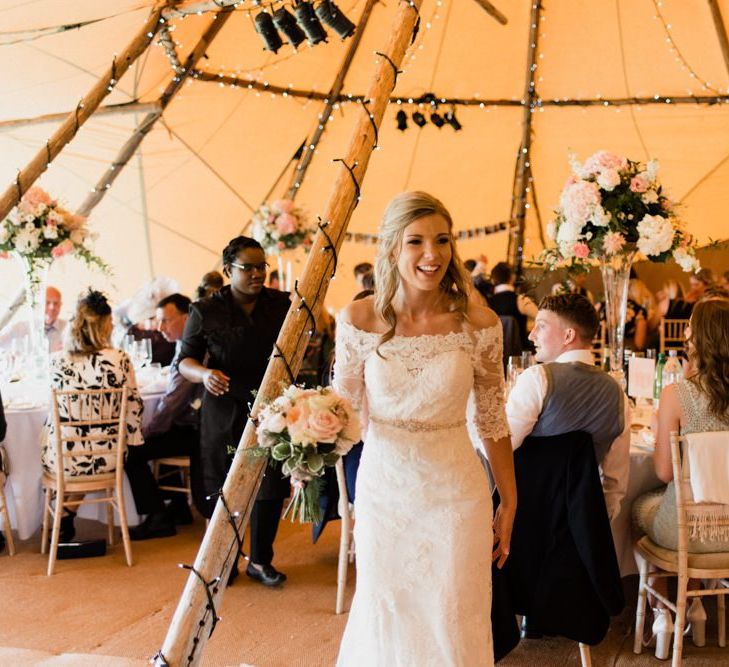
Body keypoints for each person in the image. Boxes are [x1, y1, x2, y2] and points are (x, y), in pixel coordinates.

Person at [333, 191, 516, 665]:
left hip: (455, 491)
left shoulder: (479, 323)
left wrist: (510, 498)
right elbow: (343, 414)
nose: (431, 255)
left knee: (452, 611)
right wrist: (305, 441)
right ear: (393, 247)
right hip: (385, 489)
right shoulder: (357, 319)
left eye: (442, 240)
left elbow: (492, 417)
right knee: (387, 610)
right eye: (416, 241)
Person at [179, 236, 291, 587]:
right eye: (249, 268)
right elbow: (184, 361)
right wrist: (205, 373)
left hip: (269, 402)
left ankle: (260, 560)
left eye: (262, 267)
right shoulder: (204, 310)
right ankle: (224, 560)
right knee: (223, 484)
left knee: (270, 483)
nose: (258, 274)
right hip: (223, 401)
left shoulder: (281, 304)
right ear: (228, 270)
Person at [632, 298, 729, 650]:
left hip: (684, 533)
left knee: (637, 507)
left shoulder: (677, 394)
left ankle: (663, 610)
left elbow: (662, 472)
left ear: (697, 338)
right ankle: (699, 602)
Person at [506, 293, 630, 521]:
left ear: (568, 335)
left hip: (525, 518)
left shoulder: (536, 378)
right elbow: (615, 482)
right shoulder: (618, 395)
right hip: (581, 528)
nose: (531, 334)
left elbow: (500, 448)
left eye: (540, 326)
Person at [41, 289, 144, 542]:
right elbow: (134, 408)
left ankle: (62, 516)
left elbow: (52, 417)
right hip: (108, 458)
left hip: (65, 459)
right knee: (94, 453)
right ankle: (65, 516)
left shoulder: (56, 362)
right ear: (105, 326)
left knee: (65, 449)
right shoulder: (120, 359)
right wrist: (131, 441)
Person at [126, 293, 201, 540]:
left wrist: (143, 433)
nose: (160, 328)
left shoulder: (191, 350)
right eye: (158, 321)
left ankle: (157, 516)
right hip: (190, 424)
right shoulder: (185, 343)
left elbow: (170, 405)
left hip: (198, 432)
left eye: (166, 320)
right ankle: (178, 506)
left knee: (133, 450)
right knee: (164, 430)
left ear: (187, 317)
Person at [0, 285, 66, 353]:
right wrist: (9, 355)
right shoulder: (20, 327)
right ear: (39, 304)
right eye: (47, 302)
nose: (52, 307)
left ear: (60, 305)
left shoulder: (68, 329)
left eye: (56, 303)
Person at [488, 261, 538, 350]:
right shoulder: (521, 300)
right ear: (512, 277)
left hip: (494, 353)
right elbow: (541, 316)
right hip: (519, 353)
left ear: (493, 280)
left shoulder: (486, 302)